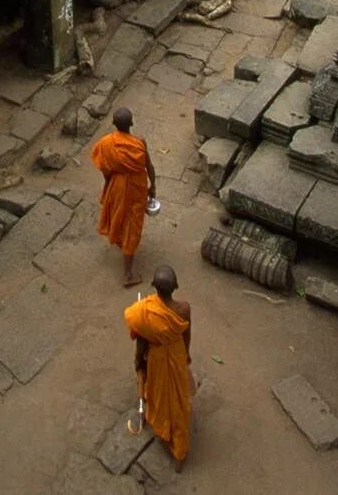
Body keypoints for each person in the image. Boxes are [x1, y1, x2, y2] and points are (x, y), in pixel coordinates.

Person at [126, 265, 193, 472]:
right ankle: (179, 454)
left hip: (155, 358)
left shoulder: (145, 311)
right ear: (175, 288)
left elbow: (141, 342)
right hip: (177, 353)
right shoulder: (184, 309)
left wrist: (138, 361)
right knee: (180, 401)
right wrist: (187, 354)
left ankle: (162, 427)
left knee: (159, 394)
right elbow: (187, 335)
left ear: (154, 287)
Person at [90, 108, 155, 285]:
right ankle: (127, 274)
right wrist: (153, 187)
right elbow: (149, 167)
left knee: (118, 215)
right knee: (132, 225)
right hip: (137, 187)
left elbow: (105, 169)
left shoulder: (106, 143)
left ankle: (122, 243)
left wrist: (108, 183)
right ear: (132, 123)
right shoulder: (139, 142)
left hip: (117, 186)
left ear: (114, 124)